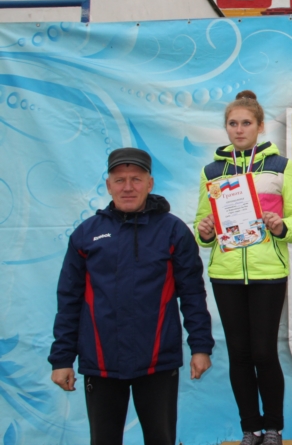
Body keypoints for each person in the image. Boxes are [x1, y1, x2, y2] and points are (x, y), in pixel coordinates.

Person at [49, 147, 214, 445]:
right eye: (120, 180)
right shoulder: (87, 234)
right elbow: (69, 300)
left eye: (136, 179)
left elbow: (192, 293)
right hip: (101, 361)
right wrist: (62, 359)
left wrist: (200, 347)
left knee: (161, 439)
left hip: (158, 360)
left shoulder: (173, 231)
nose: (128, 187)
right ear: (108, 185)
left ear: (150, 184)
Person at [195, 90, 292, 445]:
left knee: (263, 352)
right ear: (226, 128)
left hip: (267, 273)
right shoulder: (212, 171)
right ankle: (250, 429)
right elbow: (202, 223)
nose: (239, 129)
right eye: (233, 123)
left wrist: (282, 226)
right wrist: (205, 231)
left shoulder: (281, 166)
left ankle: (273, 428)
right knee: (239, 355)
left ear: (260, 127)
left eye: (246, 123)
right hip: (226, 274)